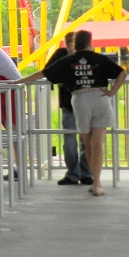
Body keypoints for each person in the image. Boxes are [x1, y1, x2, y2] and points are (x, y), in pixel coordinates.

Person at [17, 29, 126, 197]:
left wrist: (19, 81)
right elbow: (122, 72)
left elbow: (44, 73)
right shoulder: (100, 59)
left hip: (80, 99)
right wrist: (112, 91)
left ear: (75, 43)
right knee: (98, 144)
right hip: (100, 97)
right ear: (90, 42)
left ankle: (91, 180)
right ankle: (96, 183)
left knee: (88, 143)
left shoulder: (68, 60)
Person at [43, 32, 92, 187]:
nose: (71, 45)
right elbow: (48, 71)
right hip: (69, 104)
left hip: (84, 104)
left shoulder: (87, 56)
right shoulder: (61, 54)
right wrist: (59, 79)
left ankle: (84, 173)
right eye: (68, 42)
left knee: (85, 141)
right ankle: (74, 173)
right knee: (70, 141)